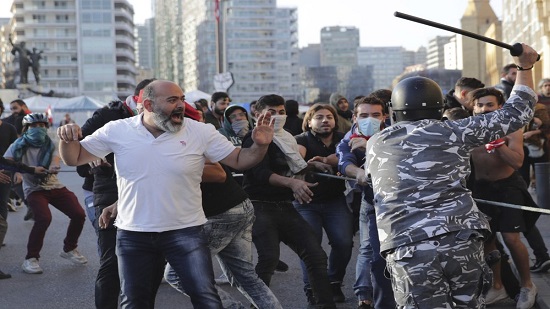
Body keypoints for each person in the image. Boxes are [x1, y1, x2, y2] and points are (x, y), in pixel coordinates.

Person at [57, 80, 274, 308]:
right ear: (148, 105)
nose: (180, 105)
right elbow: (74, 158)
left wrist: (260, 146)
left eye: (182, 99)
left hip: (185, 232)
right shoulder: (118, 130)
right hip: (133, 234)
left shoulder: (200, 131)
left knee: (206, 298)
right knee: (133, 302)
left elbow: (240, 160)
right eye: (172, 100)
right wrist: (67, 139)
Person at [364, 43, 538, 309]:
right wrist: (525, 66)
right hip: (461, 242)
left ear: (395, 109)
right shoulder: (454, 132)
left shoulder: (376, 142)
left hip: (408, 251)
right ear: (438, 107)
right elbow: (517, 112)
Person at [160, 108, 281, 308]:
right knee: (244, 277)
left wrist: (170, 170)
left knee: (177, 274)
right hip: (234, 209)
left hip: (222, 214)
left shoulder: (187, 138)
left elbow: (218, 174)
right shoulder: (165, 140)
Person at [241, 94, 336, 308]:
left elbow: (294, 166)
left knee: (316, 256)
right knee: (269, 260)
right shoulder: (254, 138)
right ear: (257, 113)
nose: (278, 116)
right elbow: (261, 173)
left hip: (285, 206)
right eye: (271, 112)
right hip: (259, 205)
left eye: (281, 112)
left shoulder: (287, 138)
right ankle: (257, 305)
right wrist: (293, 184)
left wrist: (311, 166)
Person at [78, 78, 162, 309]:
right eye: (150, 100)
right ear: (139, 100)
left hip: (149, 191)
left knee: (155, 260)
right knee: (112, 261)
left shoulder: (167, 119)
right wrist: (94, 160)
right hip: (108, 188)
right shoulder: (109, 116)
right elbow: (78, 158)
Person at [469, 87, 539, 308]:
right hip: (481, 189)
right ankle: (497, 287)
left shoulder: (511, 128)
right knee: (488, 241)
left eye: (489, 104)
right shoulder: (468, 129)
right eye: (479, 105)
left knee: (511, 238)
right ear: (473, 107)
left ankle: (527, 285)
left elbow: (517, 162)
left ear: (500, 107)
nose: (484, 109)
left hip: (508, 187)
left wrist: (499, 147)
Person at [4, 113, 87, 275]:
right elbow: (7, 162)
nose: (38, 129)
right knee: (43, 218)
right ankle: (31, 259)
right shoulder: (17, 145)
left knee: (78, 214)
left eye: (42, 126)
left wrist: (54, 167)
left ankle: (69, 248)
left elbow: (56, 160)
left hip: (54, 186)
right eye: (34, 126)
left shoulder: (50, 143)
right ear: (26, 129)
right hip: (34, 189)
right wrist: (18, 172)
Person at [336, 96, 395, 309]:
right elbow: (344, 161)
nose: (369, 119)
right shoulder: (350, 137)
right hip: (371, 202)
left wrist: (372, 145)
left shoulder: (395, 131)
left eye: (375, 115)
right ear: (354, 117)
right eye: (363, 115)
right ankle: (365, 295)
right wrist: (357, 171)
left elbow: (400, 155)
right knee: (371, 251)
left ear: (384, 117)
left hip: (400, 204)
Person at [293, 103, 353, 303]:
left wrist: (328, 160)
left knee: (344, 243)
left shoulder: (342, 139)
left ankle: (334, 282)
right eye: (319, 117)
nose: (325, 120)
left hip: (335, 201)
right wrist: (308, 163)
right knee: (310, 247)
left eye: (329, 116)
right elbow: (295, 157)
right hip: (306, 202)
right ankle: (312, 288)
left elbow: (349, 156)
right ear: (309, 122)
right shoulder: (301, 140)